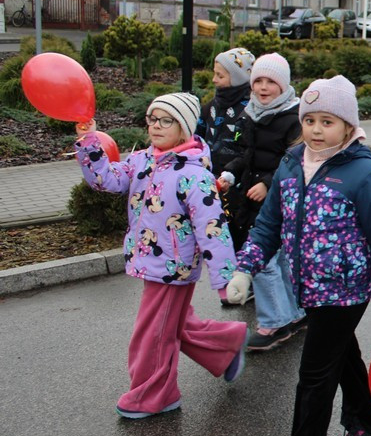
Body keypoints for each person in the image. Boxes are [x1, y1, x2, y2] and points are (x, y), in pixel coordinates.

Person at [225, 75, 371, 436]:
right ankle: (366, 420)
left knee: (314, 380)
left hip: (345, 291)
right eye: (309, 119)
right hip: (306, 284)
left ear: (348, 126)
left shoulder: (365, 174)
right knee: (340, 354)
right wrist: (246, 267)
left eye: (327, 121)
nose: (316, 129)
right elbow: (269, 223)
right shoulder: (293, 162)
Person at [74, 93, 247, 419]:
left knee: (152, 333)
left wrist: (225, 278)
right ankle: (226, 345)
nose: (155, 126)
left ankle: (155, 394)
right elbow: (105, 180)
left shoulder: (194, 175)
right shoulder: (142, 160)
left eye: (165, 120)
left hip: (174, 268)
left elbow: (212, 228)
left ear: (182, 127)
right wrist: (88, 141)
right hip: (151, 260)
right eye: (152, 119)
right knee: (171, 324)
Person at [221, 53, 306, 350]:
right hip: (251, 198)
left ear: (283, 86)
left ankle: (274, 323)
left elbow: (294, 161)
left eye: (271, 81)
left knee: (265, 261)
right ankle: (295, 313)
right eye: (258, 80)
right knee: (279, 260)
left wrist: (267, 184)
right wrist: (231, 174)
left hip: (280, 199)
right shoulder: (251, 113)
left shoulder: (293, 118)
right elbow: (246, 153)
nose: (263, 87)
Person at [196, 47, 255, 251]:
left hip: (237, 185)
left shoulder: (250, 110)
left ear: (237, 78)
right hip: (210, 181)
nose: (214, 79)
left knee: (235, 236)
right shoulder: (211, 106)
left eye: (220, 75)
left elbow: (250, 151)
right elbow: (197, 136)